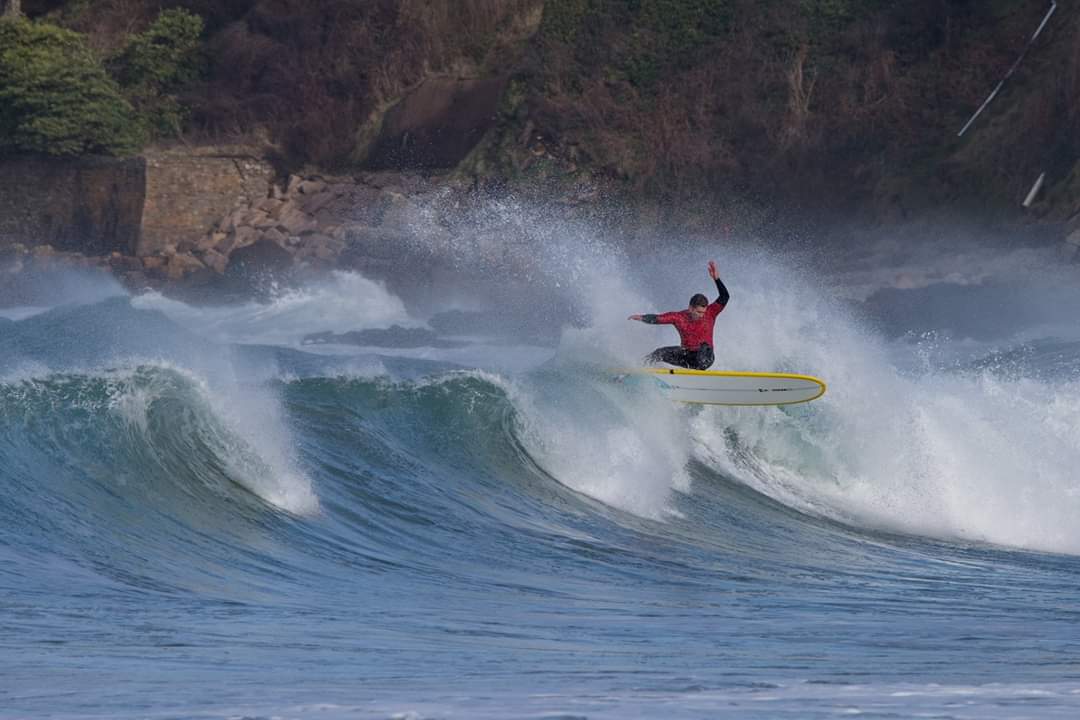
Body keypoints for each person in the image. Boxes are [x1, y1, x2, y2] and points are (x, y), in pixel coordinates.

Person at [628, 260, 729, 370]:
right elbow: (659, 319)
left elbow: (724, 297)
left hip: (706, 357)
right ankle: (636, 369)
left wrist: (716, 279)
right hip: (687, 356)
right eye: (698, 312)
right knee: (659, 353)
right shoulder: (679, 317)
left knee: (704, 348)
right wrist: (642, 317)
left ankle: (699, 375)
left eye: (703, 312)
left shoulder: (710, 312)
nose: (701, 315)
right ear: (690, 308)